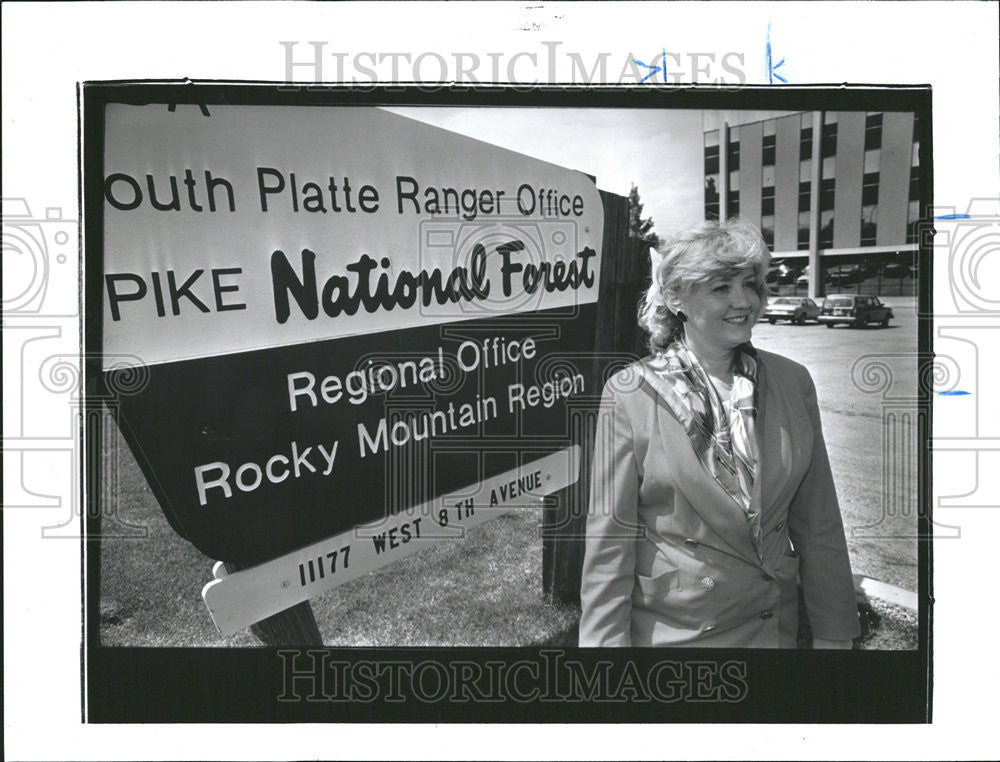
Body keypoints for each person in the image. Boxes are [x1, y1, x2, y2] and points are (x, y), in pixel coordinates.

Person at [578, 219, 860, 648]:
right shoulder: (631, 393)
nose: (744, 301)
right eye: (721, 287)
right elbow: (610, 540)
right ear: (676, 298)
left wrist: (835, 634)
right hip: (677, 635)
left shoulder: (792, 381)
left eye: (751, 285)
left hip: (771, 631)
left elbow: (818, 522)